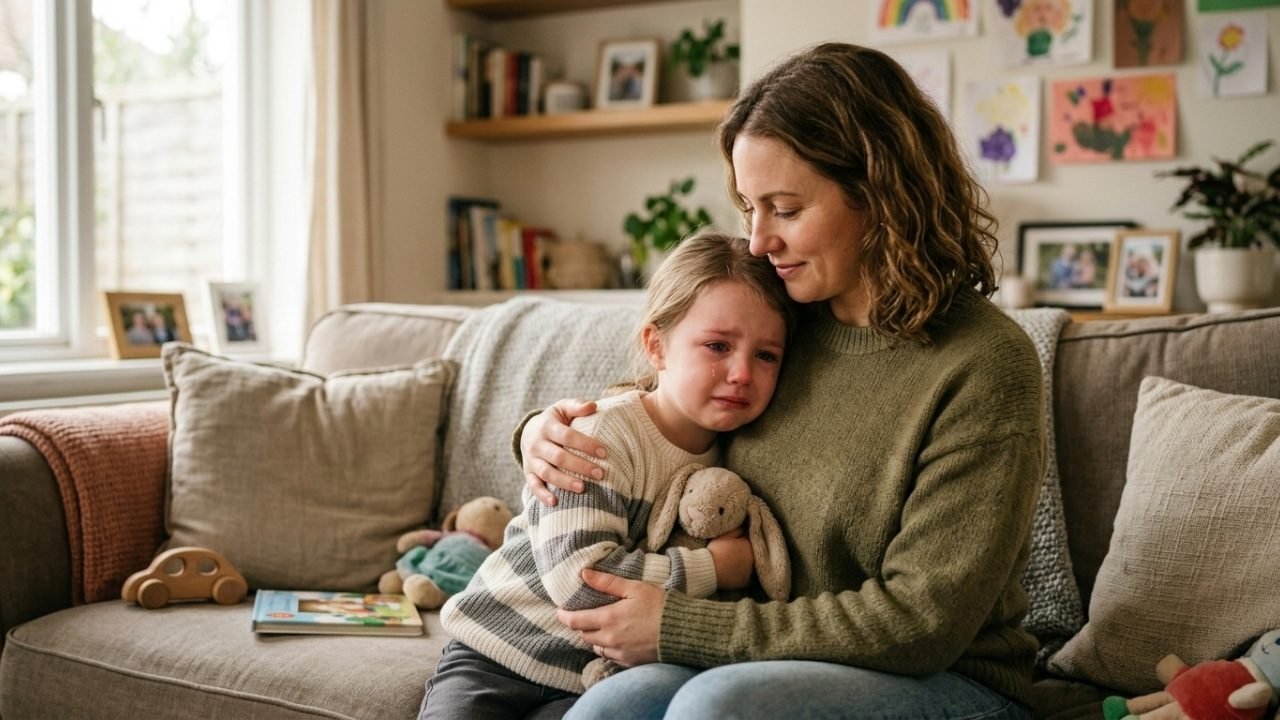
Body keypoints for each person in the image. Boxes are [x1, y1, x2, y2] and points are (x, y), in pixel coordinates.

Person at [518, 42, 1046, 719]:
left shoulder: (984, 364)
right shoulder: (786, 324)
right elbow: (660, 400)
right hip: (768, 659)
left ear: (879, 196)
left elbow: (922, 622)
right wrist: (541, 432)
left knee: (718, 707)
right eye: (749, 208)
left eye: (786, 209)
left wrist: (682, 626)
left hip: (952, 683)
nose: (760, 241)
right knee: (604, 711)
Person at [420, 232, 797, 720]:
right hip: (495, 656)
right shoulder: (600, 437)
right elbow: (582, 582)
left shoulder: (737, 454)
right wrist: (714, 568)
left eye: (765, 355)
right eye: (718, 345)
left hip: (586, 680)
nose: (742, 372)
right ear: (656, 346)